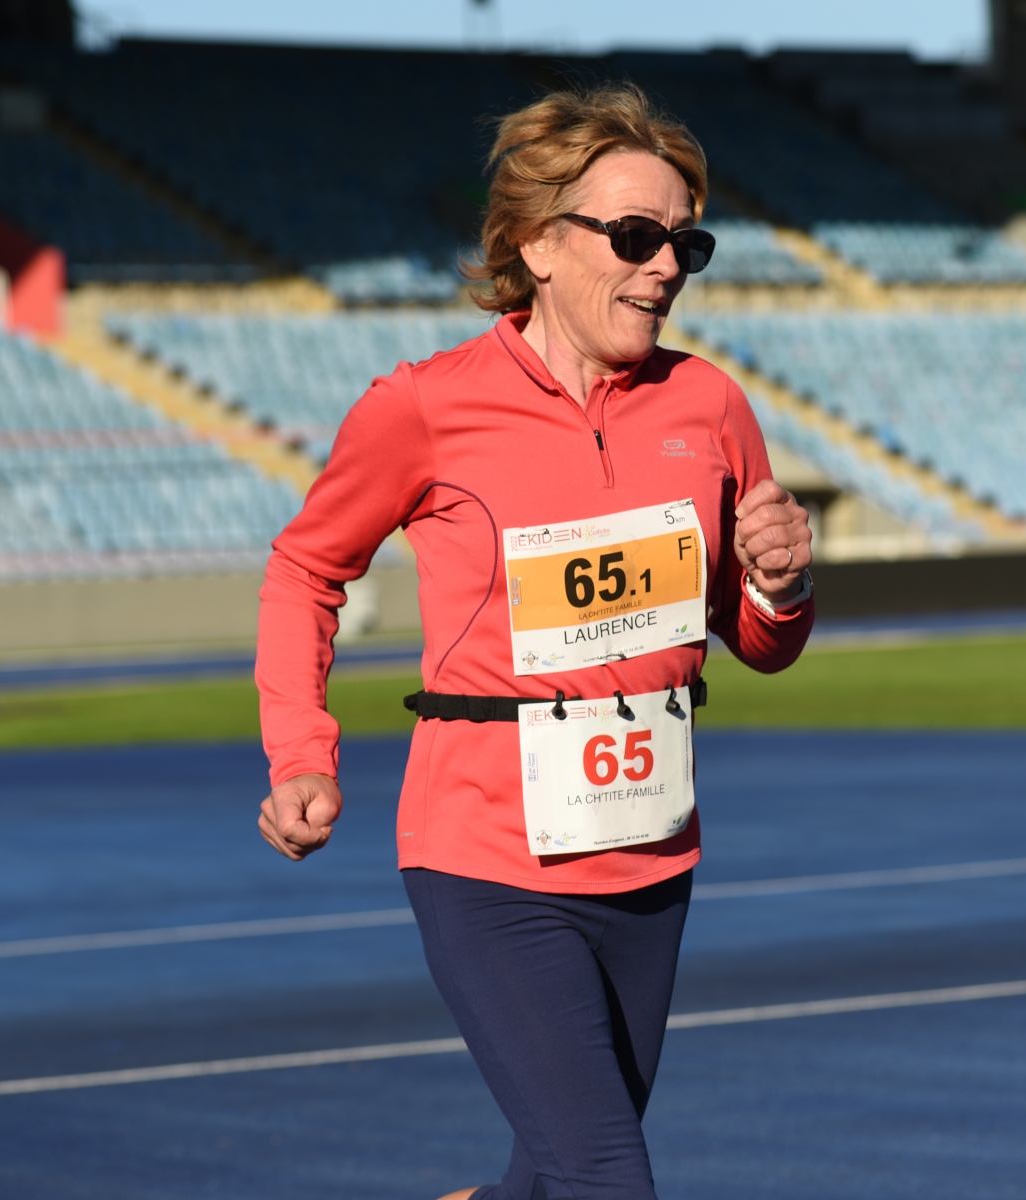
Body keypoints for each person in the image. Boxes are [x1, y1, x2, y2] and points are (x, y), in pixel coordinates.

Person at [255, 83, 815, 1200]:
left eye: (686, 244)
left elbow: (756, 642)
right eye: (636, 236)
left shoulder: (710, 408)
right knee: (605, 1175)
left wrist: (781, 586)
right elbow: (305, 569)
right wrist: (301, 753)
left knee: (553, 1175)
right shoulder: (425, 408)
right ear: (536, 244)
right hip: (486, 856)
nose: (666, 266)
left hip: (651, 850)